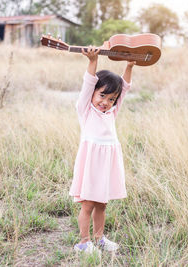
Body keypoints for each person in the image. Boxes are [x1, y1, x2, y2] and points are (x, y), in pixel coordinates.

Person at [69, 46, 135, 254]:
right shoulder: (86, 110)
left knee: (102, 204)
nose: (105, 102)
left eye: (111, 99)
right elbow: (88, 84)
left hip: (107, 164)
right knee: (88, 204)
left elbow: (124, 89)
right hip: (91, 164)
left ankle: (99, 238)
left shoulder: (111, 113)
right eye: (102, 95)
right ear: (93, 93)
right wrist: (92, 62)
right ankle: (83, 241)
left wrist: (130, 66)